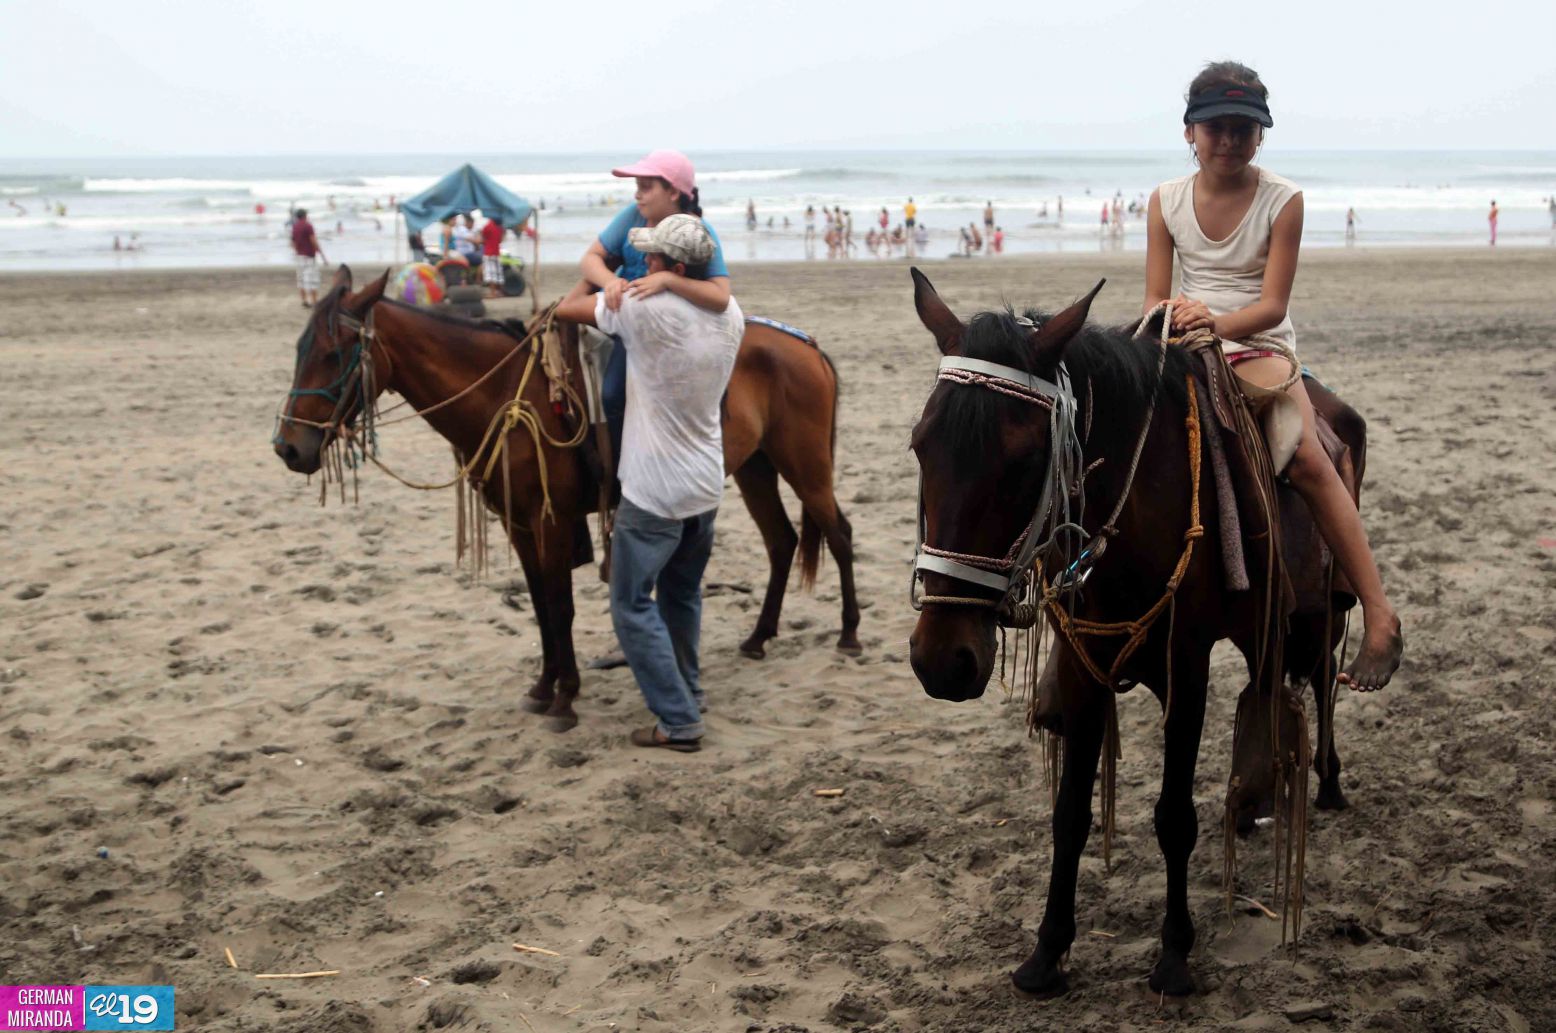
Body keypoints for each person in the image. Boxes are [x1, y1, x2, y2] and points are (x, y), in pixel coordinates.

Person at [1144, 60, 1402, 690]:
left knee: (1308, 459)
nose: (1229, 140)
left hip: (1256, 343)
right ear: (1189, 131)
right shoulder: (1164, 201)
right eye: (1216, 128)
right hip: (1184, 338)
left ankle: (1379, 612)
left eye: (1244, 128)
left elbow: (1272, 305)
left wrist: (1215, 324)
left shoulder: (1283, 200)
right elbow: (1154, 297)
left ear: (1260, 134)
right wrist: (1172, 321)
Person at [555, 215, 744, 752]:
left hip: (654, 490)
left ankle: (678, 721)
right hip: (704, 483)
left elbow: (565, 309)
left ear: (675, 267)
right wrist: (654, 279)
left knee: (631, 605)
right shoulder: (731, 314)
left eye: (653, 258)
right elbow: (709, 296)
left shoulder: (642, 309)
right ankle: (690, 690)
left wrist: (603, 275)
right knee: (682, 595)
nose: (645, 264)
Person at [568, 150, 731, 470]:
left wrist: (669, 280)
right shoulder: (633, 216)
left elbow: (721, 295)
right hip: (623, 312)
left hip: (659, 327)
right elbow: (591, 258)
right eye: (637, 186)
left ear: (673, 192)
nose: (637, 194)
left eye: (646, 187)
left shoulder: (695, 233)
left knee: (613, 393)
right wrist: (610, 281)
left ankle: (622, 469)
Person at [290, 208, 324, 308]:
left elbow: (292, 242)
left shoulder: (295, 227)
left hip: (299, 256)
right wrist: (321, 254)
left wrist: (296, 251)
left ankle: (304, 300)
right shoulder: (308, 226)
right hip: (309, 256)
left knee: (301, 279)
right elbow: (313, 240)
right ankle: (314, 301)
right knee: (312, 279)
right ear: (305, 215)